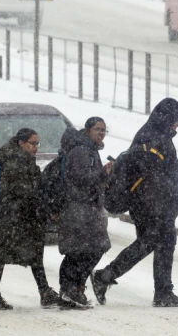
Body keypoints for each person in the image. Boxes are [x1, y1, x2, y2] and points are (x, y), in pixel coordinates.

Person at [90, 97, 178, 308]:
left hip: (157, 206)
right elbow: (150, 180)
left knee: (161, 244)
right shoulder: (152, 139)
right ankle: (106, 276)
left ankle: (162, 292)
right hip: (151, 207)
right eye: (175, 120)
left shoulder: (156, 135)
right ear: (166, 119)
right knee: (149, 243)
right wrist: (159, 207)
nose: (177, 125)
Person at [0, 129, 60, 310]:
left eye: (37, 143)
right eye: (32, 143)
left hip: (20, 217)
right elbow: (22, 191)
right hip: (13, 217)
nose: (36, 147)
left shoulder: (22, 160)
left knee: (26, 255)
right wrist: (39, 201)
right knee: (5, 255)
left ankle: (43, 291)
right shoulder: (14, 163)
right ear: (21, 143)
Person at [57, 117, 113, 309]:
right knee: (81, 251)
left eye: (104, 130)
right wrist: (103, 173)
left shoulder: (88, 149)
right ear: (88, 130)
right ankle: (70, 289)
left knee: (89, 248)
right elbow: (80, 179)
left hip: (87, 208)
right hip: (78, 208)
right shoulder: (81, 150)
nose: (101, 133)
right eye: (98, 129)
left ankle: (73, 288)